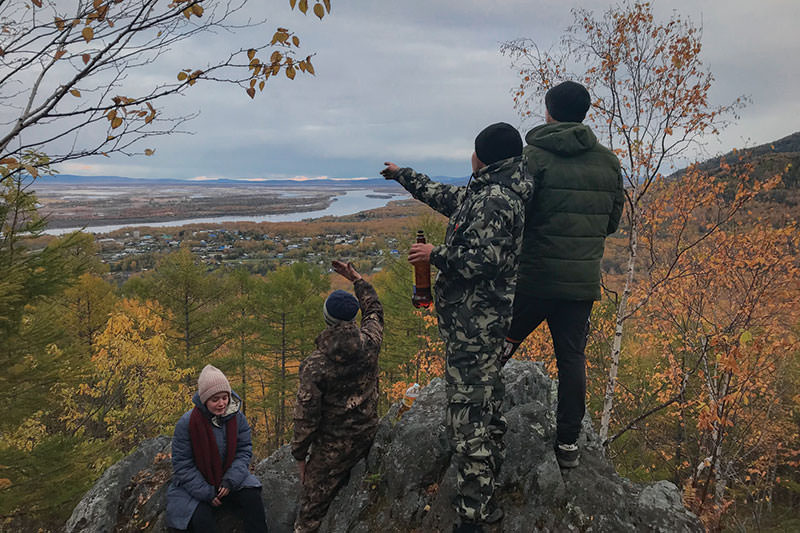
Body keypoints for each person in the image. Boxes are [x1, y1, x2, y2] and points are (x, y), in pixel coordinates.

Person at [381, 122, 532, 533]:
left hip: (475, 327)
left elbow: (486, 261)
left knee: (468, 418)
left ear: (482, 155)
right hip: (474, 324)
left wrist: (436, 254)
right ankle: (486, 487)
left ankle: (476, 513)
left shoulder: (497, 199)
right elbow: (444, 196)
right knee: (485, 405)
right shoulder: (487, 193)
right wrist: (403, 175)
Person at [500, 80, 625, 469]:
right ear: (585, 113)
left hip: (533, 278)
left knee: (500, 345)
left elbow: (512, 216)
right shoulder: (608, 162)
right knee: (571, 360)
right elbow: (612, 222)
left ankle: (477, 420)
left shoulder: (531, 157)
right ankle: (568, 443)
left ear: (548, 111)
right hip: (579, 285)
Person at [292, 260, 384, 533]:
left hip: (332, 449)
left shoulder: (315, 365)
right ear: (352, 319)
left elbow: (305, 416)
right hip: (368, 434)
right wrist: (357, 279)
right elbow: (374, 310)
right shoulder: (371, 342)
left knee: (308, 516)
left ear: (327, 320)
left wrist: (300, 455)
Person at [165, 364, 267, 532]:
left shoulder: (237, 418)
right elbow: (183, 464)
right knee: (200, 519)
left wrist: (230, 481)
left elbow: (244, 450)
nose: (221, 403)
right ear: (205, 400)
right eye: (215, 399)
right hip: (195, 486)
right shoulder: (187, 423)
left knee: (252, 498)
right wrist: (207, 493)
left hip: (229, 479)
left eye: (224, 398)